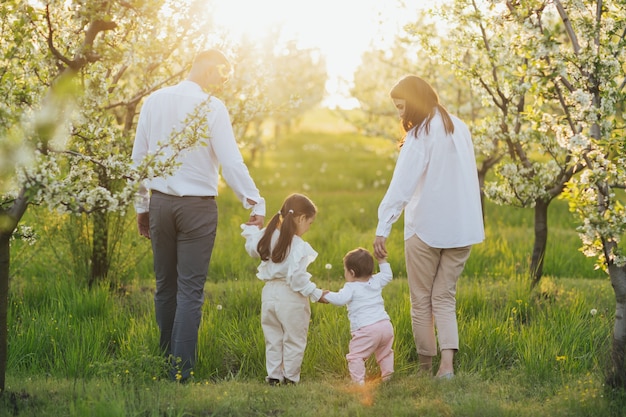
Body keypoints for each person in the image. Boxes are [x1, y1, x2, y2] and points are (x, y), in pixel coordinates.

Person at [131, 49, 266, 382]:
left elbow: (138, 160)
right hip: (197, 208)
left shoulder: (154, 102)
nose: (221, 83)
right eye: (220, 76)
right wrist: (255, 201)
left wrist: (141, 205)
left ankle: (165, 364)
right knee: (190, 290)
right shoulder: (212, 108)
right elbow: (231, 162)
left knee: (165, 287)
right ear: (208, 70)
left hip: (160, 204)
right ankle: (182, 371)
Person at [373, 75, 484, 379]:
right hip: (462, 229)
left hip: (426, 228)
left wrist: (384, 226)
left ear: (414, 101)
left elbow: (401, 186)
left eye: (400, 107)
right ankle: (446, 368)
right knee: (444, 296)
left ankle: (424, 369)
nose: (400, 115)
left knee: (422, 300)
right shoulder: (459, 127)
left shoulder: (420, 133)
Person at [241, 193, 326, 385]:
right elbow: (297, 279)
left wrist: (250, 229)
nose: (308, 228)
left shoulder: (267, 235)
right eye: (310, 223)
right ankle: (290, 377)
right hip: (291, 297)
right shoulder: (298, 246)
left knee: (273, 338)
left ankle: (274, 377)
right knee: (294, 338)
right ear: (301, 218)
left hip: (269, 294)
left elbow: (251, 246)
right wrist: (316, 293)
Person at [320, 247, 394, 386]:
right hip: (385, 325)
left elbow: (340, 299)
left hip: (367, 329)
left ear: (352, 272)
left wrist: (325, 296)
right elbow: (388, 275)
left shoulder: (351, 287)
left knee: (356, 356)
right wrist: (382, 260)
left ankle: (359, 383)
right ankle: (388, 377)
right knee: (385, 353)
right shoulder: (376, 280)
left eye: (345, 270)